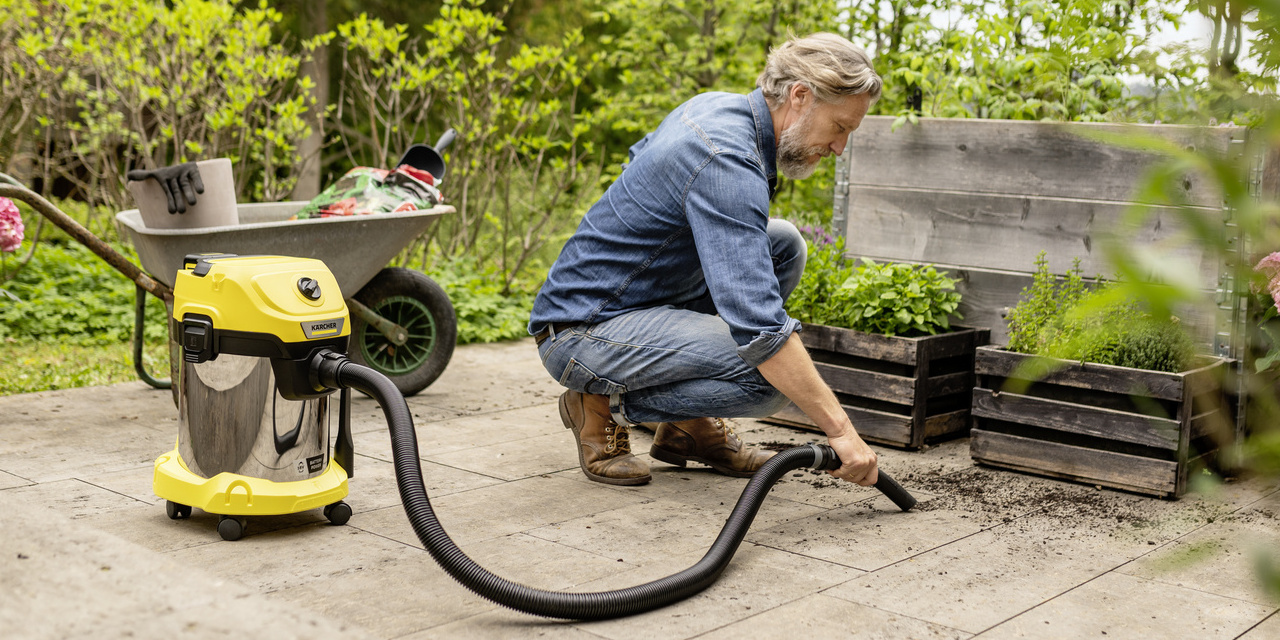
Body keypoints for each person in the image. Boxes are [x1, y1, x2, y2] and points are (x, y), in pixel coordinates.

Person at [529, 32, 883, 488]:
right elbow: (760, 330)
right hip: (582, 331)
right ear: (800, 96)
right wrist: (842, 431)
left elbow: (638, 163)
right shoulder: (726, 159)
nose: (839, 148)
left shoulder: (715, 107)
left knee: (784, 246)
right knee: (769, 381)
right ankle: (599, 404)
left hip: (634, 298)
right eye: (840, 128)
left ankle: (685, 428)